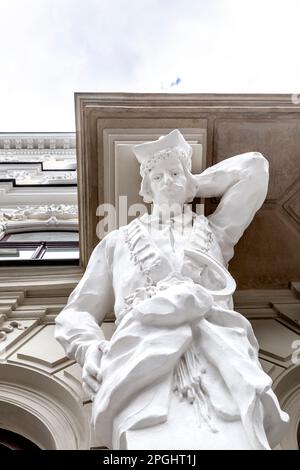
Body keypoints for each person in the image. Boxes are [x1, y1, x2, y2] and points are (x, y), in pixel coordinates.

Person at [55, 129, 289, 450]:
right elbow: (77, 312)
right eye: (158, 176)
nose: (167, 181)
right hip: (138, 356)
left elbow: (254, 168)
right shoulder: (116, 242)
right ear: (146, 189)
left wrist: (194, 182)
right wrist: (88, 347)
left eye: (175, 174)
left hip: (220, 350)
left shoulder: (216, 232)